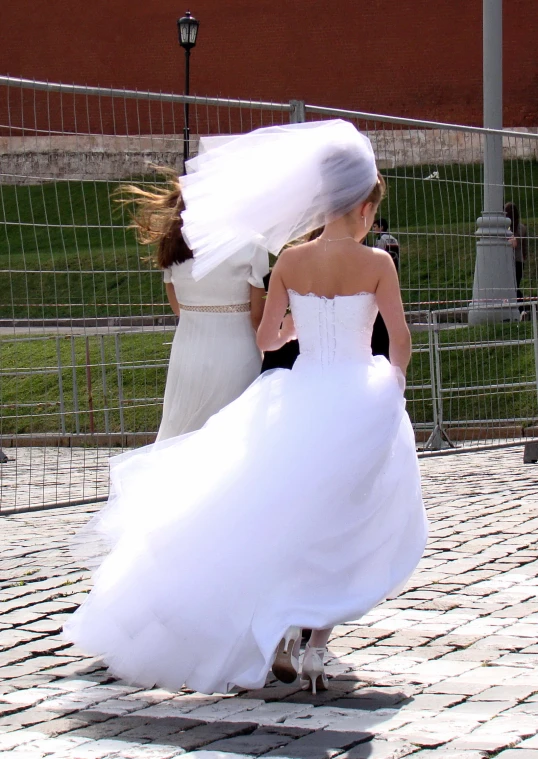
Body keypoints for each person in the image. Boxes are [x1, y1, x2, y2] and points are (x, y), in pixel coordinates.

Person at [64, 120, 427, 697]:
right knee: (341, 520)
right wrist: (394, 382)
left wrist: (293, 331)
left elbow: (265, 340)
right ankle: (317, 647)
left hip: (303, 391)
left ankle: (281, 632)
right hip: (357, 392)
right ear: (362, 207)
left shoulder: (290, 260)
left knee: (287, 513)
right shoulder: (378, 263)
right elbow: (399, 336)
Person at [118, 169, 269, 440]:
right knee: (232, 437)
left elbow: (178, 307)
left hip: (187, 351)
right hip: (236, 351)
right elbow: (257, 316)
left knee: (183, 432)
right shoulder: (251, 244)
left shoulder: (172, 244)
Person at [370, 218, 400, 359]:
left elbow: (378, 258)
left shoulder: (380, 240)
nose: (373, 228)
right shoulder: (393, 239)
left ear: (381, 227)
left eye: (375, 226)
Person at [505, 202, 528, 311]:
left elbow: (514, 243)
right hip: (519, 261)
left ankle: (521, 309)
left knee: (513, 287)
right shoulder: (521, 227)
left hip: (513, 261)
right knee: (515, 286)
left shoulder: (513, 229)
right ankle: (520, 309)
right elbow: (524, 246)